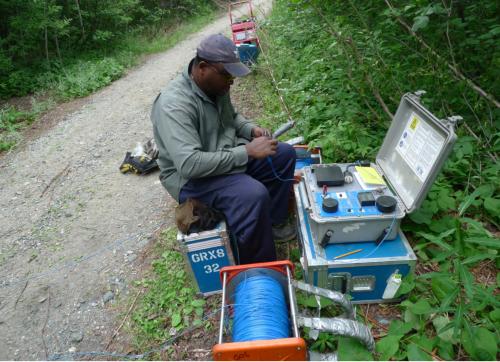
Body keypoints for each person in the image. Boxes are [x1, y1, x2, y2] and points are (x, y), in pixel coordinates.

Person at [151, 34, 296, 264]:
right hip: (191, 179)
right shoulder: (174, 105)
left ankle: (274, 222)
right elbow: (189, 165)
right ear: (202, 68)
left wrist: (251, 130)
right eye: (227, 75)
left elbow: (232, 118)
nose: (232, 82)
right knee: (252, 194)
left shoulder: (215, 86)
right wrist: (247, 152)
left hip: (222, 155)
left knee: (284, 154)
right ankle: (258, 266)